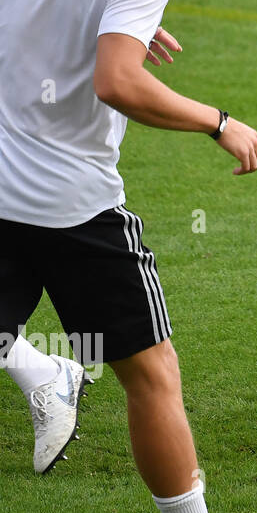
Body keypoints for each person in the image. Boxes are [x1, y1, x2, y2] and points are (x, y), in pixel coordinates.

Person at [0, 0, 257, 513]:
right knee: (151, 379)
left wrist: (114, 23)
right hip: (75, 207)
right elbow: (117, 83)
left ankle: (46, 371)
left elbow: (29, 11)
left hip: (2, 194)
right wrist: (217, 121)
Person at [2, 30, 177, 474]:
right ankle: (41, 373)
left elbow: (117, 82)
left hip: (68, 195)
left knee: (150, 370)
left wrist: (219, 123)